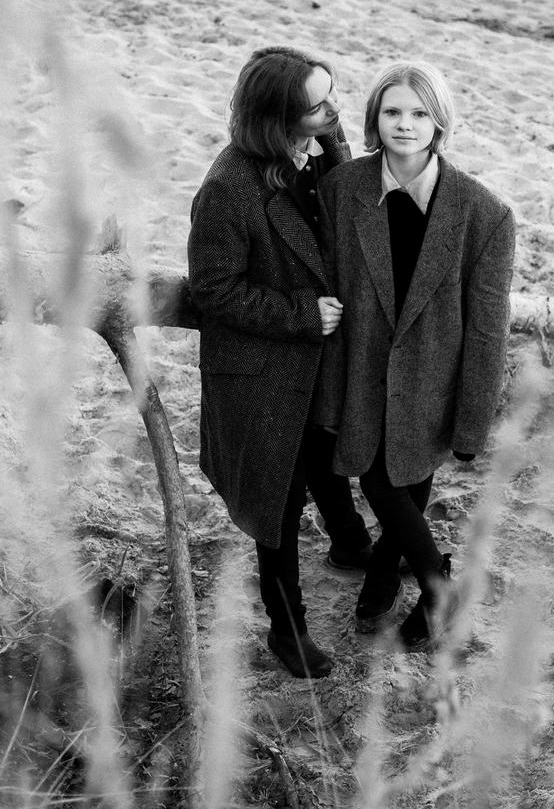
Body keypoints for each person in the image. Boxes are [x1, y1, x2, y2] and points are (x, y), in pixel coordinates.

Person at [315, 60, 515, 649]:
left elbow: (487, 330)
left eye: (420, 113)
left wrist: (473, 420)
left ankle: (395, 577)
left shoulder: (485, 214)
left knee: (405, 475)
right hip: (360, 371)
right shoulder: (342, 189)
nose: (405, 124)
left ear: (440, 122)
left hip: (433, 377)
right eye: (393, 111)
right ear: (374, 118)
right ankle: (433, 583)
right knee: (382, 479)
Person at [187, 46, 372, 679]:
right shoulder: (227, 189)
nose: (335, 109)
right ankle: (286, 629)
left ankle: (350, 544)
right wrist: (300, 314)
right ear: (278, 119)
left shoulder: (319, 148)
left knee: (324, 449)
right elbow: (213, 289)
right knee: (281, 497)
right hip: (261, 369)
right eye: (319, 104)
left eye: (331, 93)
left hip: (319, 356)